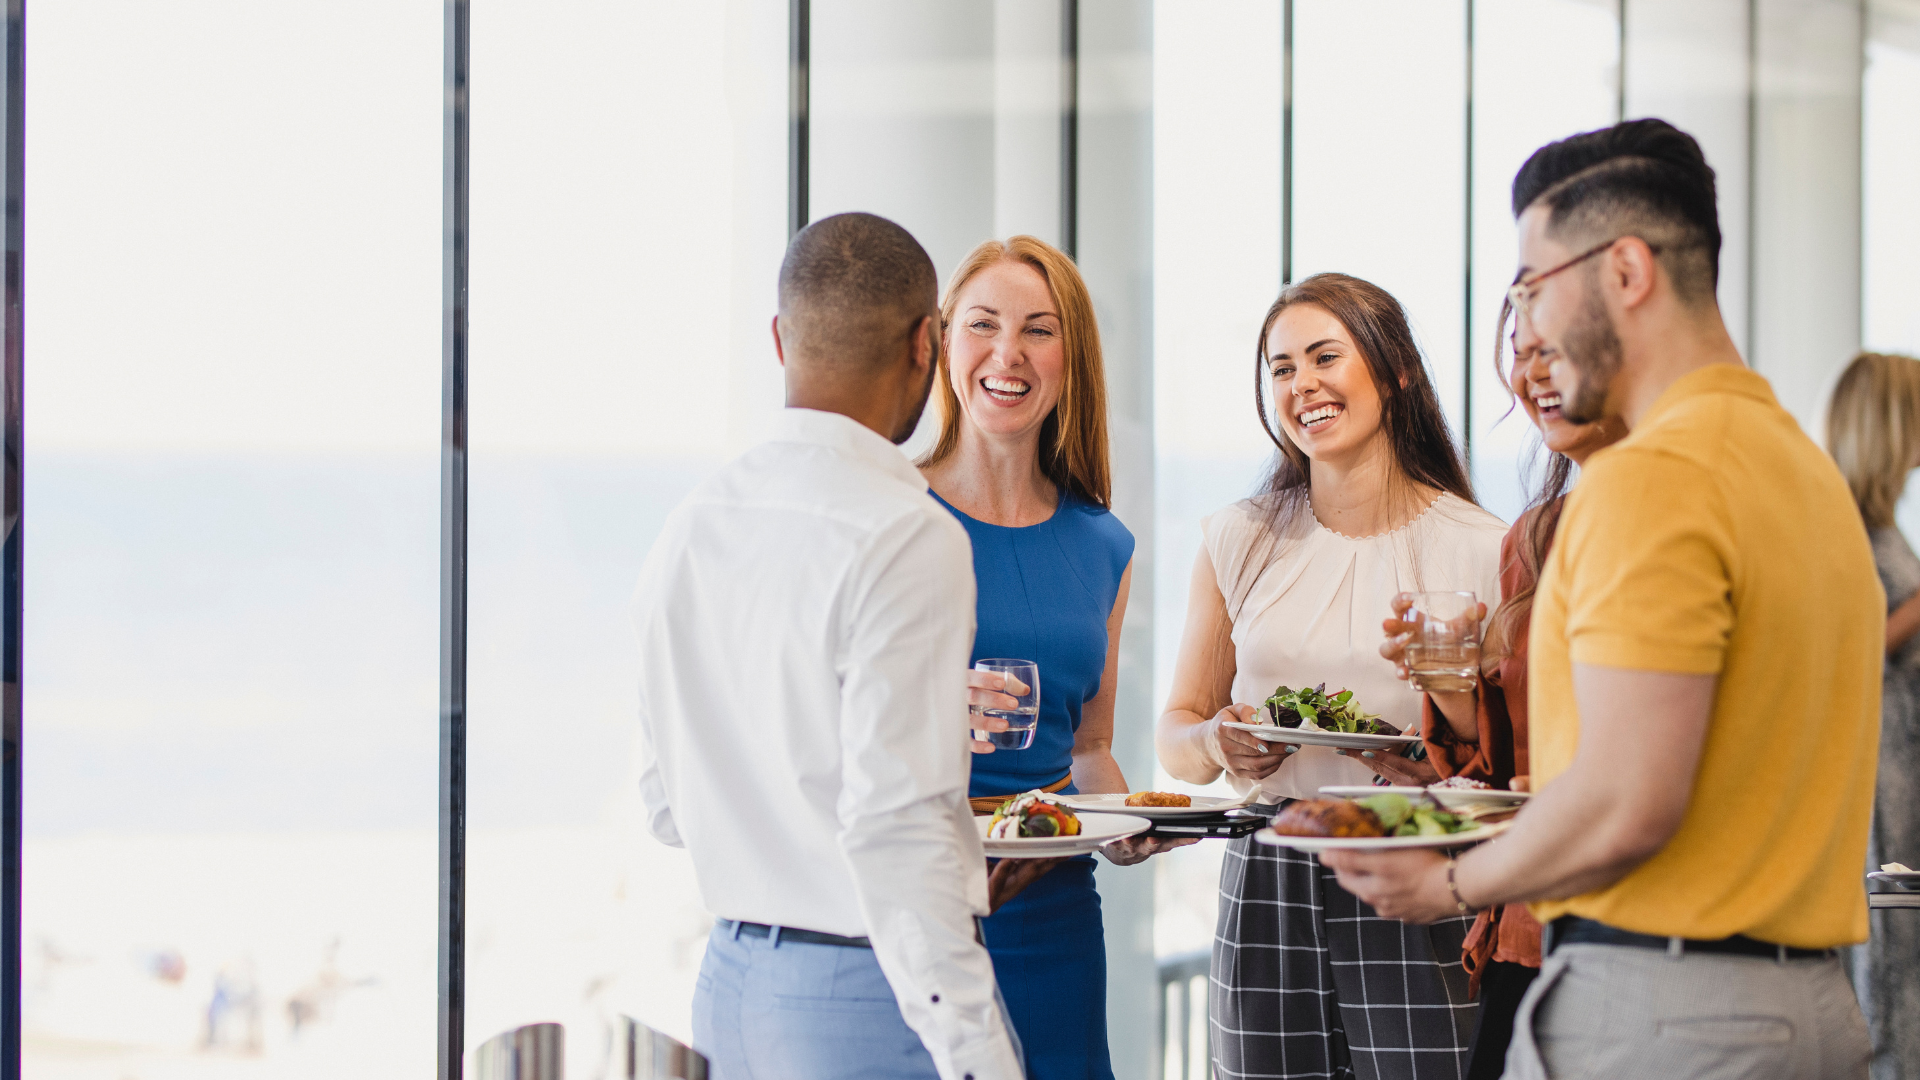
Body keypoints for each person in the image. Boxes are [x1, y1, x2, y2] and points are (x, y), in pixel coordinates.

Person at [1322, 118, 1879, 1079]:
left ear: (1626, 272)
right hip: (1813, 1006)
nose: (1527, 329)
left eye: (1535, 288)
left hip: (1669, 1016)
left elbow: (1630, 802)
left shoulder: (1650, 479)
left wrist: (1450, 881)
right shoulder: (1806, 471)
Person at [632, 212, 1022, 1080]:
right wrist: (981, 1057)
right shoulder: (905, 533)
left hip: (727, 987)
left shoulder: (691, 524)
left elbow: (663, 803)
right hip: (866, 992)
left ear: (779, 339)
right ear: (927, 344)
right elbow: (900, 828)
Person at [1156, 272, 1508, 1080]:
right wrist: (1218, 739)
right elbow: (1179, 739)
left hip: (1416, 859)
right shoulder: (1237, 539)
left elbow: (1513, 758)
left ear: (1394, 371)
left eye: (1324, 357)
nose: (1301, 384)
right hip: (1270, 865)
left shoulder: (1484, 547)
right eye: (1281, 368)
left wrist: (1437, 758)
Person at [918, 235, 1183, 1080]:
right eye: (983, 325)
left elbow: (1087, 748)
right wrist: (922, 704)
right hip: (919, 909)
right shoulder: (889, 513)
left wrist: (1125, 823)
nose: (1008, 354)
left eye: (1038, 330)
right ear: (942, 342)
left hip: (1056, 915)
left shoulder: (1104, 545)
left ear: (1072, 358)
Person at [1369, 322, 1625, 1080]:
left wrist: (1448, 884)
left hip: (1636, 933)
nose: (1535, 373)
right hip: (1528, 927)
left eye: (1557, 345)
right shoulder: (1533, 539)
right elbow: (1498, 766)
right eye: (1521, 352)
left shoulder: (1687, 515)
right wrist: (1447, 682)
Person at [1826, 350, 1920, 1080]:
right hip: (1880, 754)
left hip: (1900, 748)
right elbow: (1847, 648)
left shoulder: (1882, 522)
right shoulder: (1844, 524)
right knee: (1891, 932)